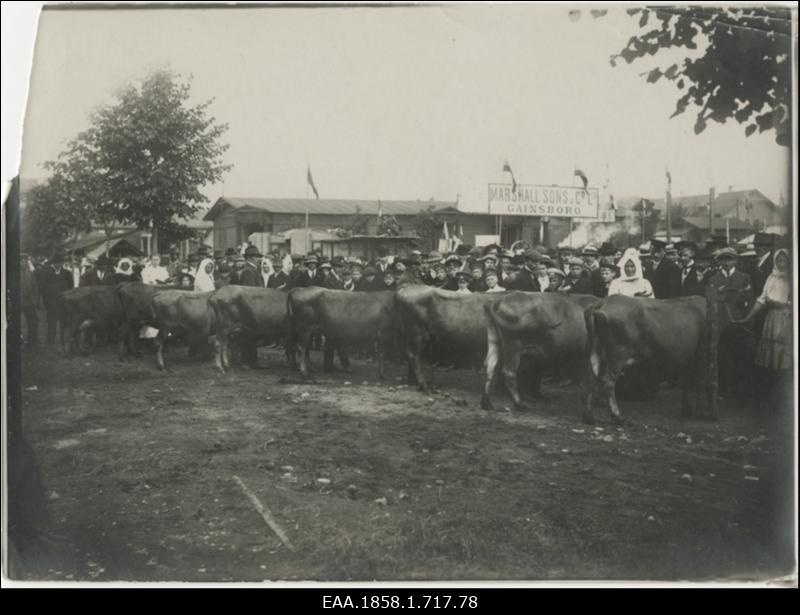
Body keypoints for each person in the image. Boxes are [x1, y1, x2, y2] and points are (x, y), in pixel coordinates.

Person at [734, 250, 791, 408]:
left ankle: (787, 397)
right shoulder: (771, 277)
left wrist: (786, 306)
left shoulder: (792, 278)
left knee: (784, 357)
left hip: (787, 319)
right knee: (770, 359)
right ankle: (771, 396)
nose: (781, 264)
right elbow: (762, 299)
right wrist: (747, 317)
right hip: (771, 319)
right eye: (778, 261)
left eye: (784, 261)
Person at [38, 252, 74, 345]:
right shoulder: (45, 272)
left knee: (64, 323)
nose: (59, 264)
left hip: (64, 303)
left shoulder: (67, 273)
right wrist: (47, 302)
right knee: (51, 324)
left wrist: (68, 300)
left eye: (61, 262)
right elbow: (43, 289)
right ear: (53, 263)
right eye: (57, 262)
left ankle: (64, 341)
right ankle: (50, 343)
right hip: (51, 303)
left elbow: (71, 288)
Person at [20, 253, 40, 348]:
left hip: (29, 302)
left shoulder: (30, 273)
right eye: (22, 260)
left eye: (25, 260)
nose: (24, 262)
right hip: (17, 302)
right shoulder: (12, 273)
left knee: (33, 321)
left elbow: (35, 287)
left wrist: (34, 300)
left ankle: (32, 342)